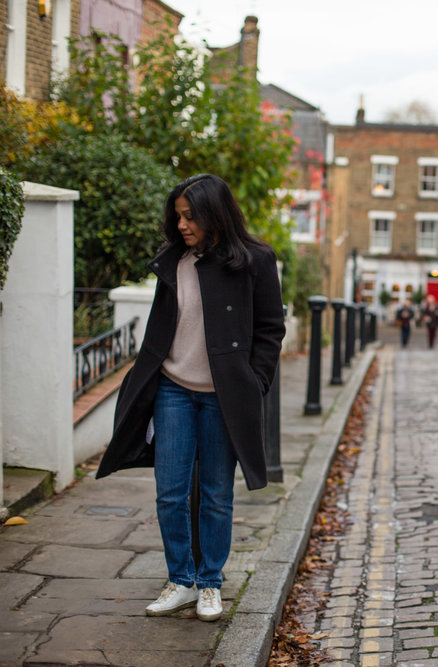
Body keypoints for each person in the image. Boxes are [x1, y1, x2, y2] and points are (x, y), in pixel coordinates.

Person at [96, 174, 285, 621]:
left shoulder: (255, 260)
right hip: (173, 389)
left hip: (223, 397)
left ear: (214, 213)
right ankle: (180, 580)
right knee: (170, 492)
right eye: (178, 216)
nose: (181, 225)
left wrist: (254, 381)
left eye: (190, 216)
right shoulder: (174, 260)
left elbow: (270, 329)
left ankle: (210, 583)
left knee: (216, 493)